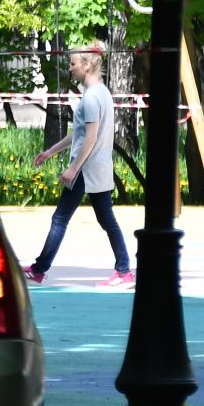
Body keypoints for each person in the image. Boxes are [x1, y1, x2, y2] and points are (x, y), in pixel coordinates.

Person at [24, 42, 133, 287]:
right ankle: (124, 270)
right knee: (106, 220)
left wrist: (73, 168)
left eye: (73, 64)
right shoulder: (101, 93)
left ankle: (39, 270)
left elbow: (90, 138)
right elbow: (80, 133)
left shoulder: (92, 98)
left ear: (87, 64)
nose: (70, 68)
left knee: (60, 218)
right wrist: (51, 151)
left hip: (86, 169)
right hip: (98, 168)